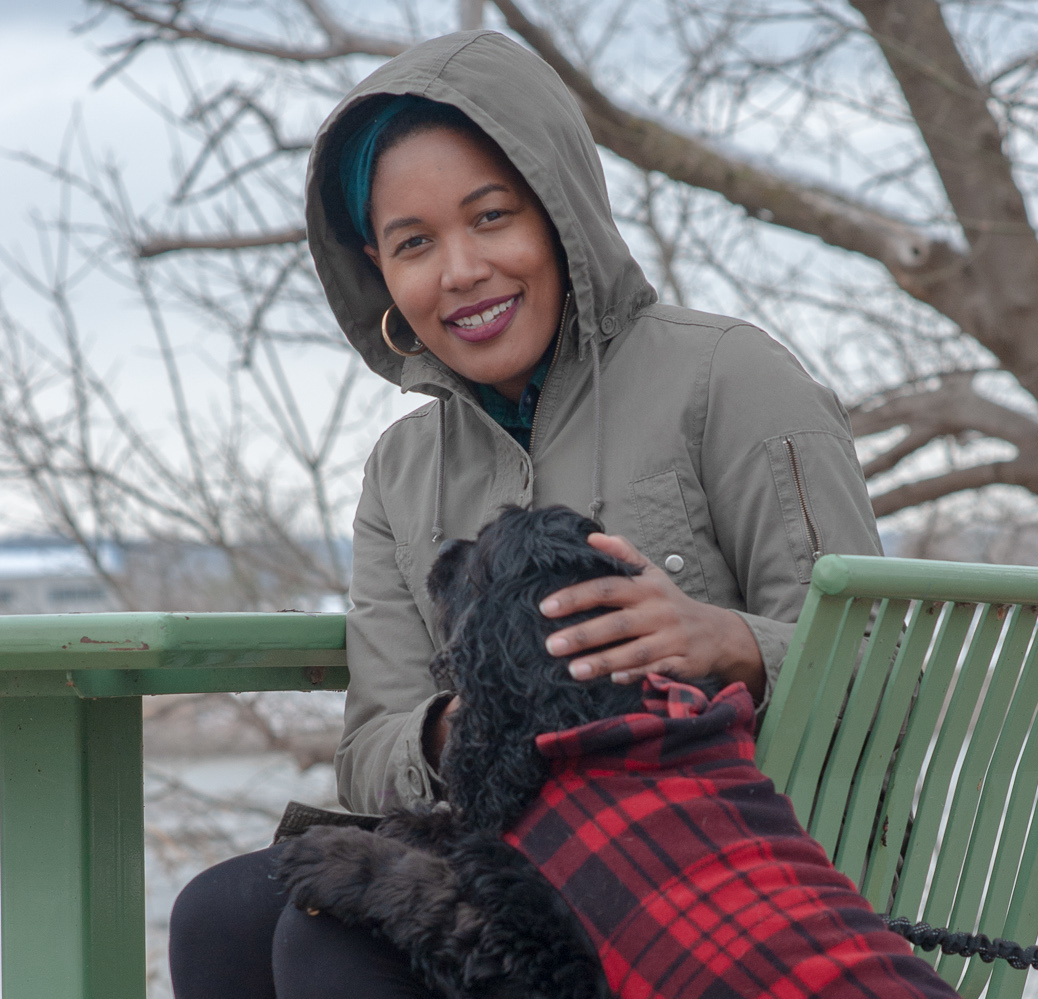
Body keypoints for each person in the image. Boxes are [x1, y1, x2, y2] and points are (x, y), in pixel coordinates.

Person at [168, 29, 884, 999]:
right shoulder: (401, 471)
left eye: (490, 216)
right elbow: (371, 750)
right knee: (217, 914)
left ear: (559, 213)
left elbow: (877, 674)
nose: (460, 271)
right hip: (516, 862)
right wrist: (463, 725)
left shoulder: (726, 378)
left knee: (329, 944)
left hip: (714, 878)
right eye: (414, 244)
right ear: (380, 274)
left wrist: (727, 641)